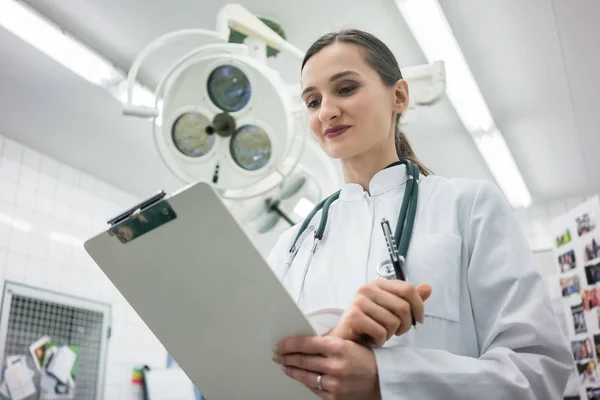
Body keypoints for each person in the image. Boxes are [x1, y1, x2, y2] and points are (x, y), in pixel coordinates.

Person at [267, 29, 573, 399]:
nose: (327, 111)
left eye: (345, 89)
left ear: (399, 96)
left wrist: (387, 378)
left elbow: (539, 371)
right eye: (313, 101)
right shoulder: (293, 245)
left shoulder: (469, 205)